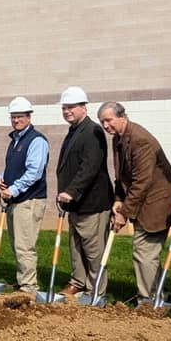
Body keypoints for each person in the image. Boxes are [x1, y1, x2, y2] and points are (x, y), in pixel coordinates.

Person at [98, 101, 171, 304]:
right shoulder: (118, 138)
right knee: (146, 253)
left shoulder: (140, 139)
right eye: (102, 122)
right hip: (141, 201)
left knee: (144, 252)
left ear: (122, 116)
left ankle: (148, 299)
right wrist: (118, 200)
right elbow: (121, 175)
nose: (106, 126)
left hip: (156, 204)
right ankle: (156, 294)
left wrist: (124, 213)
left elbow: (142, 182)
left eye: (109, 120)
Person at [54, 87, 113, 300]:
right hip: (74, 203)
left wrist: (72, 191)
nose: (67, 111)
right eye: (64, 108)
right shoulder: (75, 130)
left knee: (93, 248)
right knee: (76, 246)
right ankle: (78, 282)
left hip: (92, 202)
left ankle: (95, 289)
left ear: (83, 107)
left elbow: (90, 166)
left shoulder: (93, 131)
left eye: (71, 107)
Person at [0, 97, 49, 295]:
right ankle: (22, 281)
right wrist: (3, 178)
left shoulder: (36, 140)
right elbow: (13, 167)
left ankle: (28, 286)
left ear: (29, 117)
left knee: (25, 244)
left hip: (29, 200)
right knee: (17, 243)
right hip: (16, 200)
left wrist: (14, 188)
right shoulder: (16, 140)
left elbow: (34, 172)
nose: (16, 120)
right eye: (13, 116)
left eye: (20, 116)